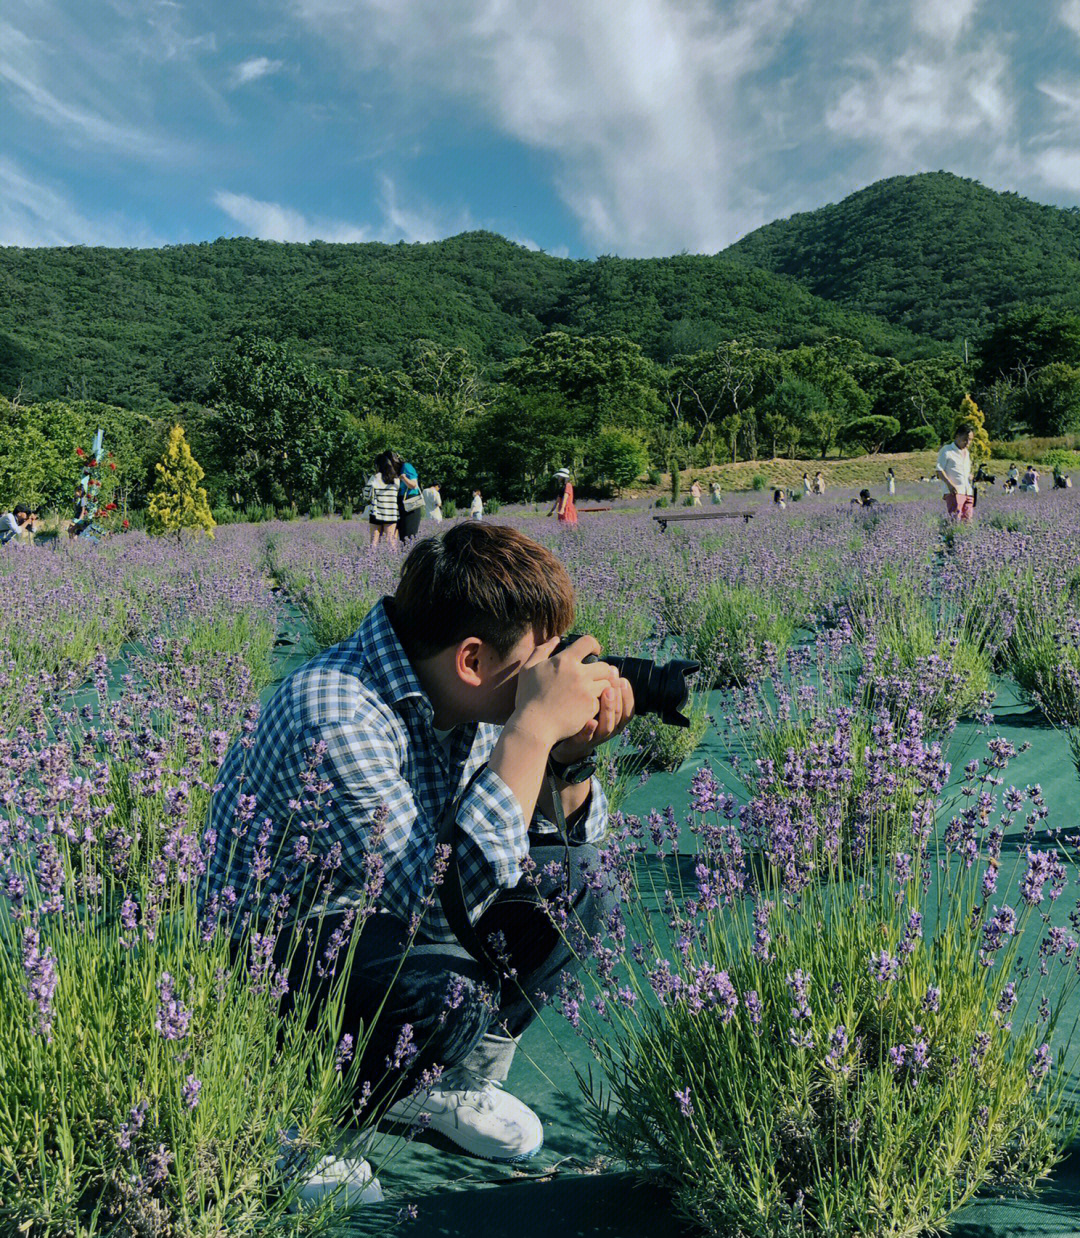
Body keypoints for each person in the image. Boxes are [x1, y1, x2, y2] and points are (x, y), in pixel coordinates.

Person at [200, 523, 633, 1200]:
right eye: (538, 661)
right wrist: (529, 731)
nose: (553, 677)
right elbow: (431, 903)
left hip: (388, 920)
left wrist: (570, 755)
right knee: (445, 987)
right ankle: (301, 1117)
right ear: (471, 660)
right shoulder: (337, 709)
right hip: (274, 957)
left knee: (583, 888)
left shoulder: (473, 689)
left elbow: (560, 849)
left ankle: (444, 1083)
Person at [936, 422, 975, 521]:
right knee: (955, 520)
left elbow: (964, 472)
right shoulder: (947, 450)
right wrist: (950, 485)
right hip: (954, 492)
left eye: (970, 440)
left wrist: (972, 477)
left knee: (968, 521)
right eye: (965, 439)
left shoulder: (967, 453)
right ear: (957, 436)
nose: (967, 442)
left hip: (968, 491)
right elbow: (939, 470)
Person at [364, 451, 402, 546]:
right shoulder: (396, 479)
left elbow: (366, 495)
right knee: (390, 540)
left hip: (376, 512)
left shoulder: (375, 478)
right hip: (391, 513)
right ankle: (393, 559)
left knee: (374, 541)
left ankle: (371, 559)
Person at [398, 461, 424, 540]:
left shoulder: (406, 466)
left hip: (411, 500)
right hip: (400, 502)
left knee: (410, 532)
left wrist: (404, 478)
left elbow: (414, 485)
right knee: (402, 534)